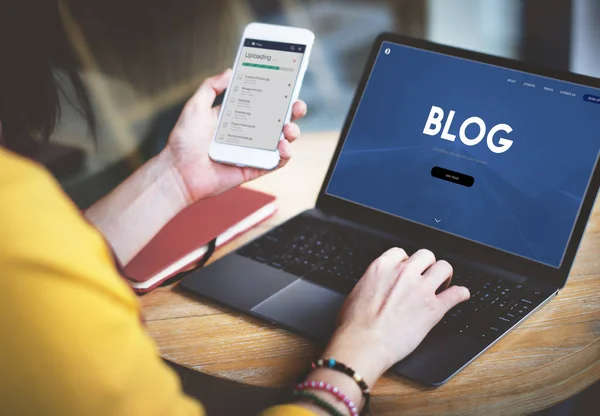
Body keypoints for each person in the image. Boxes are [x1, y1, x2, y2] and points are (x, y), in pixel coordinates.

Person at [0, 2, 470, 415]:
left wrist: (176, 176)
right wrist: (362, 348)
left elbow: (53, 252)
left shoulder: (20, 205)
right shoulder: (16, 220)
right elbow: (32, 269)